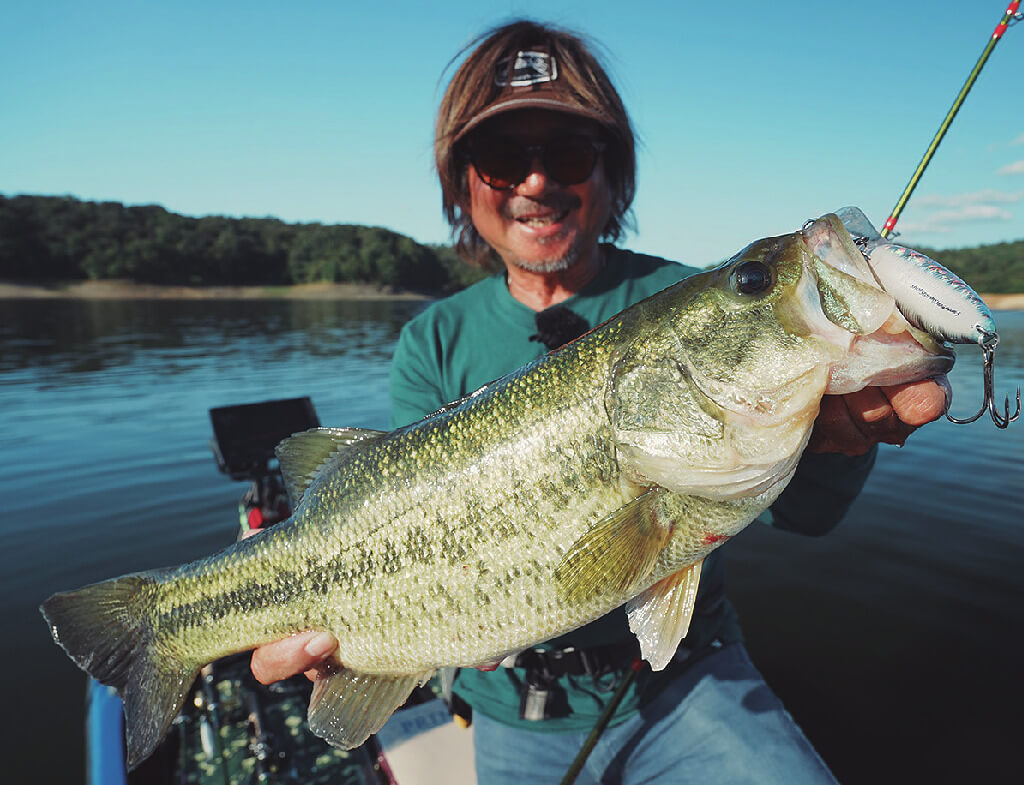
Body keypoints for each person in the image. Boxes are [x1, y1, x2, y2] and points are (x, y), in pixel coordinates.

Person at [251, 19, 947, 784]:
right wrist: (374, 640)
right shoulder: (433, 340)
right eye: (501, 156)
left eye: (572, 153)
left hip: (693, 681)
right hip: (515, 709)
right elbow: (405, 527)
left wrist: (840, 434)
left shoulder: (675, 294)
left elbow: (809, 513)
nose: (537, 182)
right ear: (462, 182)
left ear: (613, 173)